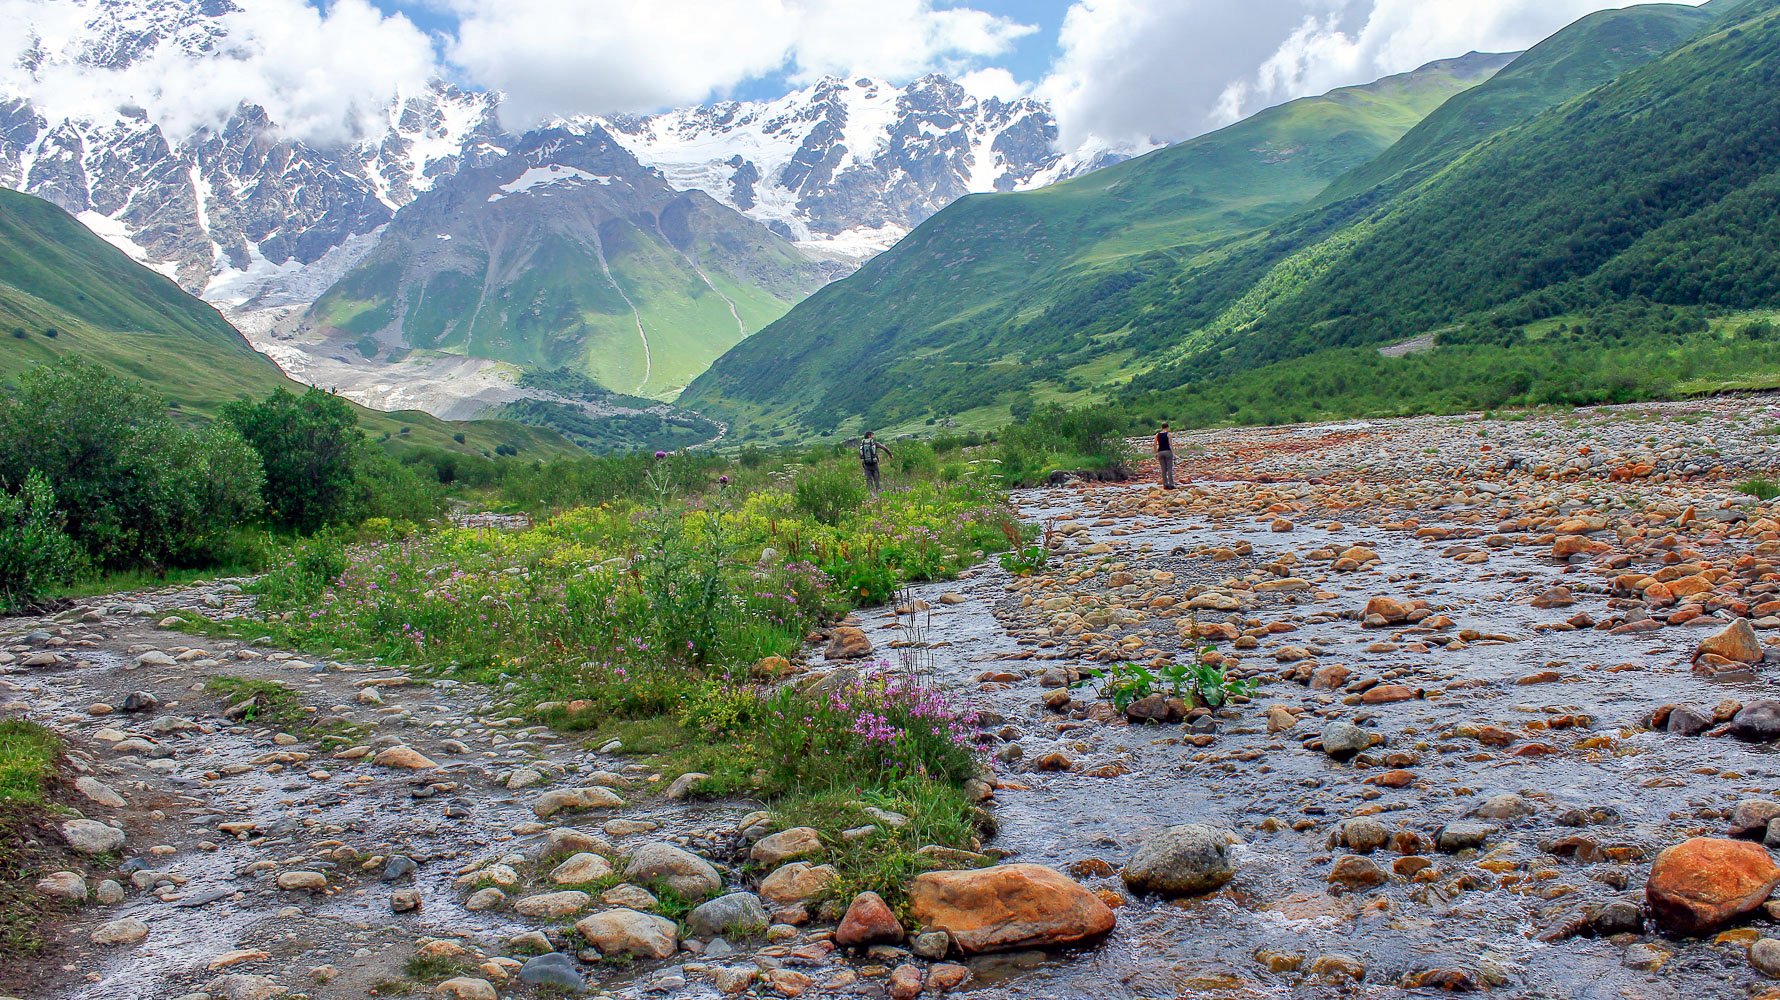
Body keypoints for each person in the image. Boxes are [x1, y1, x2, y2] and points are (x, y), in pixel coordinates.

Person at [1155, 422, 1176, 490]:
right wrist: (1173, 453)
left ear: (1161, 427)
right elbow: (1170, 444)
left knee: (1163, 469)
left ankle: (1165, 484)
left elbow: (1155, 444)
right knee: (1169, 469)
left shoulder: (1157, 434)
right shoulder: (1169, 434)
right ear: (1167, 427)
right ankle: (1171, 484)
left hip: (1160, 452)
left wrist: (1156, 453)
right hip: (1167, 451)